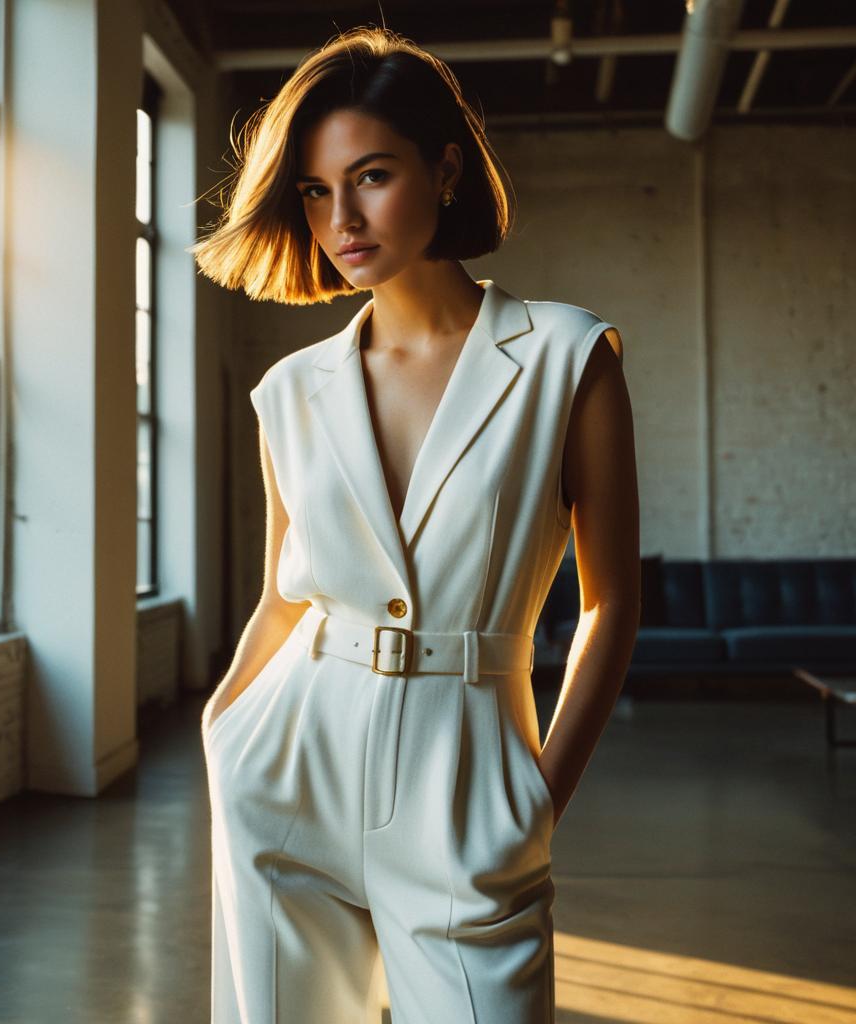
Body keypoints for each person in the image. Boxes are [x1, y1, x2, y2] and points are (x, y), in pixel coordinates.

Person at [188, 24, 641, 1024]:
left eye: (371, 175)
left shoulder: (568, 357)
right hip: (289, 763)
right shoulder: (289, 391)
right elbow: (279, 595)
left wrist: (536, 802)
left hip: (467, 775)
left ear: (443, 172)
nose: (340, 216)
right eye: (315, 190)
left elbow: (612, 603)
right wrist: (223, 729)